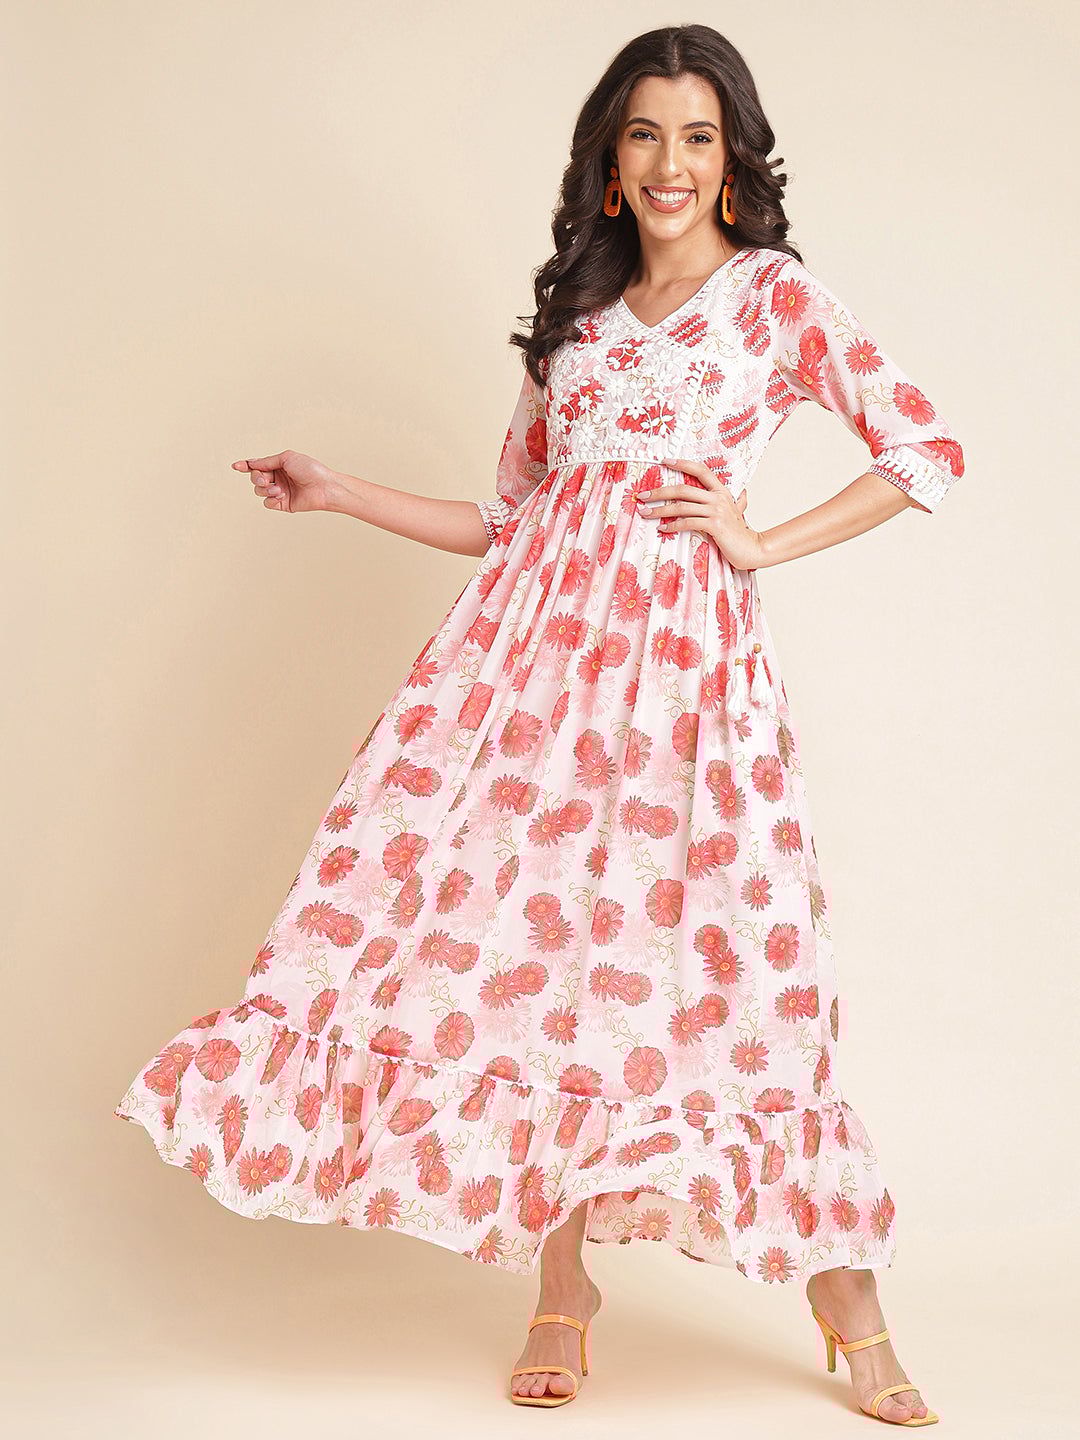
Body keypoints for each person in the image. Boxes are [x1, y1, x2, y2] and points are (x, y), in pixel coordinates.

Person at [114, 23, 962, 1427]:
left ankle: (849, 1306)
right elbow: (511, 518)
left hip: (685, 694)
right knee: (536, 969)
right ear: (611, 162)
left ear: (734, 161)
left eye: (699, 136)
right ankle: (561, 1290)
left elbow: (922, 448)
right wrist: (340, 490)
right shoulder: (577, 316)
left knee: (745, 979)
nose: (672, 162)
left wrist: (759, 541)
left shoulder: (776, 300)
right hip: (524, 689)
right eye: (646, 134)